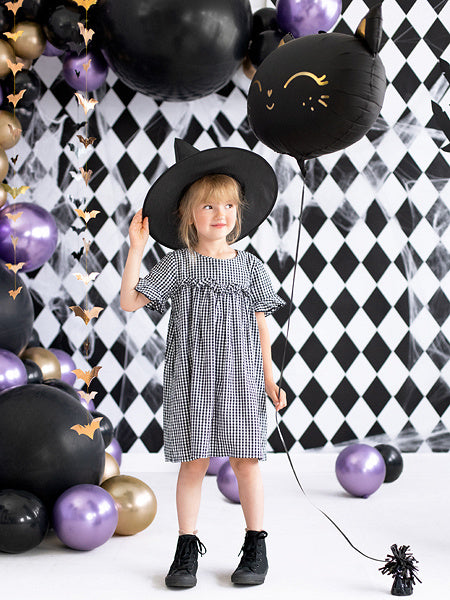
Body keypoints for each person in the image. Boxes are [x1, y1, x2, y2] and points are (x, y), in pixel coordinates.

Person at [120, 138, 287, 588]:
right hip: (191, 379)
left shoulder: (249, 268)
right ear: (189, 214)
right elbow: (130, 301)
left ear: (238, 212)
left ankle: (256, 545)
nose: (220, 215)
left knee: (246, 461)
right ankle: (186, 548)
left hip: (240, 378)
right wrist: (136, 249)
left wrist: (270, 379)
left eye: (228, 206)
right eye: (209, 206)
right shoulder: (178, 264)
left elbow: (262, 327)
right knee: (193, 463)